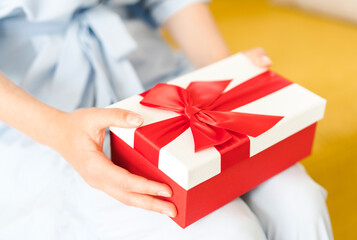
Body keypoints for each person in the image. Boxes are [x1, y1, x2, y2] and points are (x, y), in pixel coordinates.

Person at [0, 0, 333, 239]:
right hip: (37, 115)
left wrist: (224, 72)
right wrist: (58, 129)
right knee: (228, 230)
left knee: (298, 200)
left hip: (155, 80)